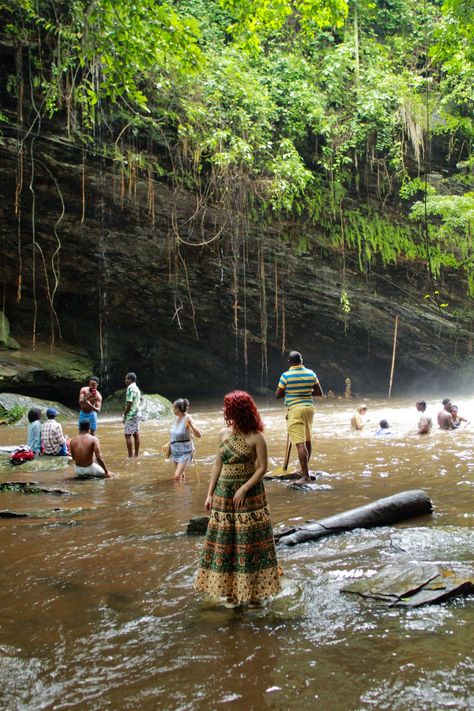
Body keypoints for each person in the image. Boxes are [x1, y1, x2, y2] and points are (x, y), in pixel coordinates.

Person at [195, 390, 280, 608]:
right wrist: (209, 494)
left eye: (228, 409)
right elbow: (217, 464)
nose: (225, 412)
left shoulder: (256, 436)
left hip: (250, 496)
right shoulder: (223, 435)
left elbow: (262, 468)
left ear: (238, 411)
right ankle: (230, 591)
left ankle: (255, 593)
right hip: (224, 495)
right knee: (226, 542)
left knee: (250, 543)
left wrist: (243, 489)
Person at [275, 350, 323, 484]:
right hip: (309, 409)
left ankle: (305, 476)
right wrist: (305, 390)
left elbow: (278, 395)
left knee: (299, 444)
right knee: (307, 440)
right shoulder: (311, 373)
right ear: (301, 360)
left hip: (295, 411)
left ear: (289, 362)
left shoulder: (286, 376)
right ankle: (304, 469)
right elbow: (319, 392)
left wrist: (290, 391)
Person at [163, 398, 202, 482]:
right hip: (175, 451)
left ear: (178, 409)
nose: (172, 409)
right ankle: (182, 494)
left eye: (173, 407)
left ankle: (181, 493)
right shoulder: (176, 420)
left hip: (185, 451)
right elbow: (175, 437)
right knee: (181, 475)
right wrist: (168, 444)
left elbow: (199, 435)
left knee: (177, 476)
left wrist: (191, 425)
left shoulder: (188, 418)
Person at [123, 372, 141, 458]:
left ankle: (130, 457)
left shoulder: (130, 388)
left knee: (127, 435)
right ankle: (136, 455)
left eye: (126, 378)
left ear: (130, 379)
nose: (125, 380)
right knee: (136, 434)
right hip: (137, 413)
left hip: (131, 414)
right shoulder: (137, 388)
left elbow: (129, 403)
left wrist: (125, 414)